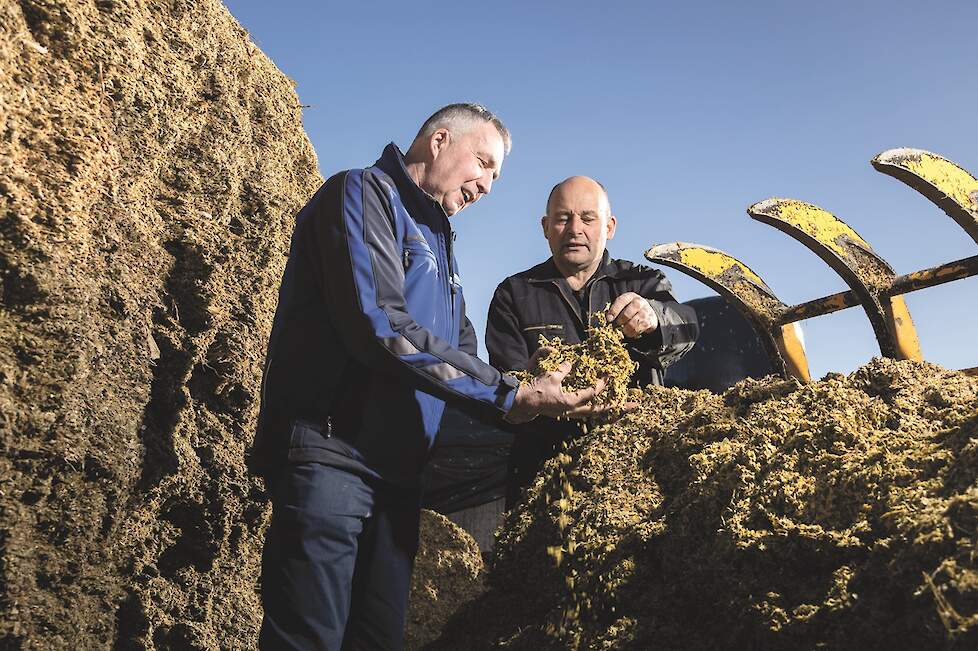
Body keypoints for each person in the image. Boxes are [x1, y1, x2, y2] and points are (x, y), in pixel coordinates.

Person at [248, 105, 606, 650]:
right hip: (334, 453)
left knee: (379, 636)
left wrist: (530, 395)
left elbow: (461, 349)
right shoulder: (365, 195)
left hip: (398, 473)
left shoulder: (442, 242)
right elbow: (382, 324)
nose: (486, 184)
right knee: (311, 636)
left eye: (495, 176)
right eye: (483, 162)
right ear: (440, 141)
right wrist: (511, 393)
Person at [486, 176, 700, 507]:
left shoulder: (642, 281)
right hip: (544, 469)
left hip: (633, 463)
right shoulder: (515, 293)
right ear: (545, 227)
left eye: (588, 218)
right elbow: (506, 385)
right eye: (562, 218)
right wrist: (534, 394)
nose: (575, 229)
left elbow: (686, 325)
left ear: (609, 226)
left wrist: (655, 317)